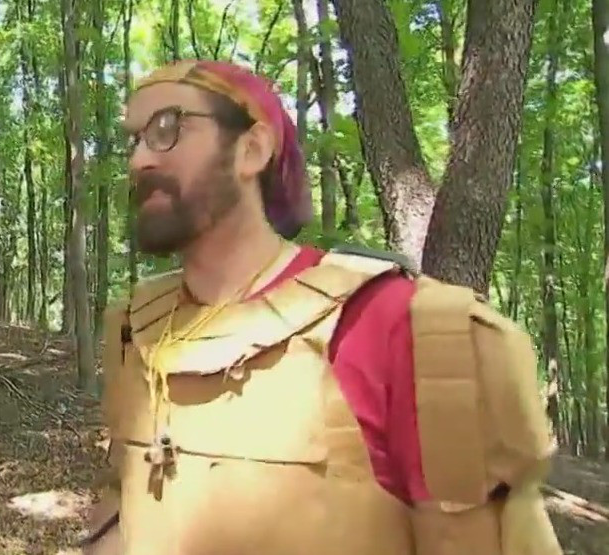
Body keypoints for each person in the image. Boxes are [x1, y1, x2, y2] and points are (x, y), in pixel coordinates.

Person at [83, 60, 562, 555]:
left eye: (167, 128)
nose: (138, 159)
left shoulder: (406, 330)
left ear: (252, 149)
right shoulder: (136, 326)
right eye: (134, 139)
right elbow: (126, 507)